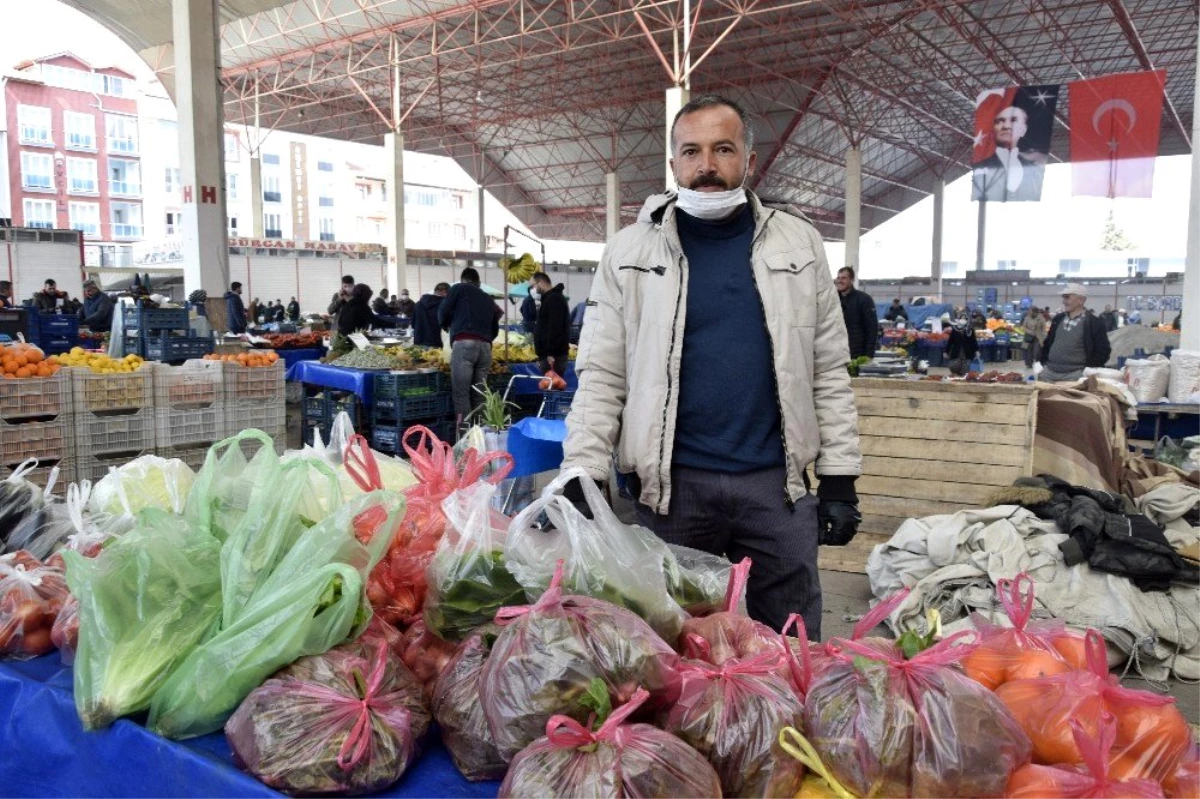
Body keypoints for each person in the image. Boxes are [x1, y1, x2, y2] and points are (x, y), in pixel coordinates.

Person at [561, 94, 862, 635]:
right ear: (673, 164)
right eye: (691, 151)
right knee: (672, 646)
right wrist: (582, 467)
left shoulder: (799, 245)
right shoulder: (629, 252)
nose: (707, 166)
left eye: (723, 149)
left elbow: (827, 368)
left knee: (792, 641)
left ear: (749, 160)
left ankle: (789, 719)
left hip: (777, 488)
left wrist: (839, 478)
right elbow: (603, 373)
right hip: (673, 491)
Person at [439, 267, 502, 421]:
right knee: (480, 395)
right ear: (479, 283)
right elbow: (495, 327)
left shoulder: (459, 288)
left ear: (463, 280)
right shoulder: (488, 298)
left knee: (461, 395)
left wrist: (447, 326)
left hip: (465, 345)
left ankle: (464, 438)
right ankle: (480, 436)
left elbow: (443, 311)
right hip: (486, 349)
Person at [971, 106, 1046, 202]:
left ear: (1024, 130)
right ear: (993, 131)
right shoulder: (980, 168)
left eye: (1013, 120)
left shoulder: (1035, 171)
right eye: (999, 121)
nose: (1006, 126)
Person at [1040, 283, 1112, 382]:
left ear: (1080, 300)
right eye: (1063, 298)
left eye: (1067, 297)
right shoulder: (1058, 319)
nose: (1064, 301)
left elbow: (1103, 350)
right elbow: (1048, 342)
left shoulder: (1094, 323)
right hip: (1049, 374)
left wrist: (1087, 370)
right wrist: (1043, 363)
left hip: (1075, 376)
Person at [530, 271, 570, 375]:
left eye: (532, 286)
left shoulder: (554, 299)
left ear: (540, 283)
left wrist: (550, 353)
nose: (531, 290)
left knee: (553, 386)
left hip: (553, 356)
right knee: (550, 386)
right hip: (549, 355)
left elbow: (555, 328)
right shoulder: (548, 299)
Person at [835, 266, 877, 359]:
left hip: (856, 354)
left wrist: (868, 356)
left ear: (852, 280)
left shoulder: (864, 299)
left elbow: (872, 329)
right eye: (838, 278)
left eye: (844, 278)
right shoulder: (833, 299)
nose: (840, 281)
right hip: (836, 354)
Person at [413, 282, 450, 348]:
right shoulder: (443, 305)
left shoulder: (417, 304)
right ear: (444, 292)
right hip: (435, 344)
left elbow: (413, 324)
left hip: (418, 343)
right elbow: (447, 325)